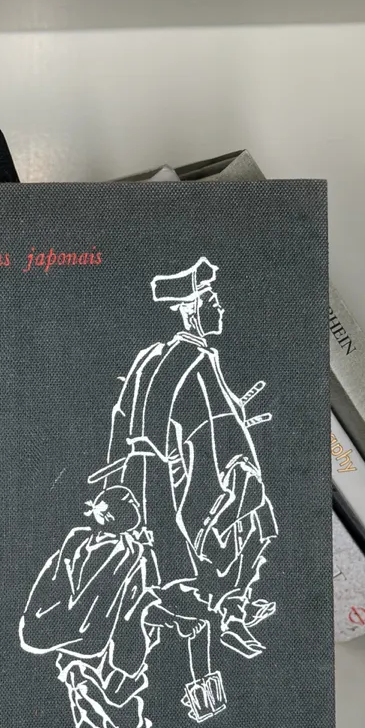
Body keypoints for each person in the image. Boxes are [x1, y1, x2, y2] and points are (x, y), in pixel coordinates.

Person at [91, 257, 278, 659]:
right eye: (212, 301)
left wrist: (116, 485)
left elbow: (126, 418)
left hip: (167, 478)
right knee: (242, 519)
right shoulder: (190, 359)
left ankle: (232, 608)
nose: (220, 307)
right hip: (190, 478)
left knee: (214, 547)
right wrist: (238, 462)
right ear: (192, 310)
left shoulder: (160, 357)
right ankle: (229, 611)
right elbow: (211, 426)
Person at [19, 485, 198, 728]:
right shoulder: (80, 543)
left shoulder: (129, 554)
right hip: (82, 651)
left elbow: (139, 602)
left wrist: (173, 620)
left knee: (129, 718)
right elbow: (54, 589)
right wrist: (173, 620)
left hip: (113, 653)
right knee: (120, 721)